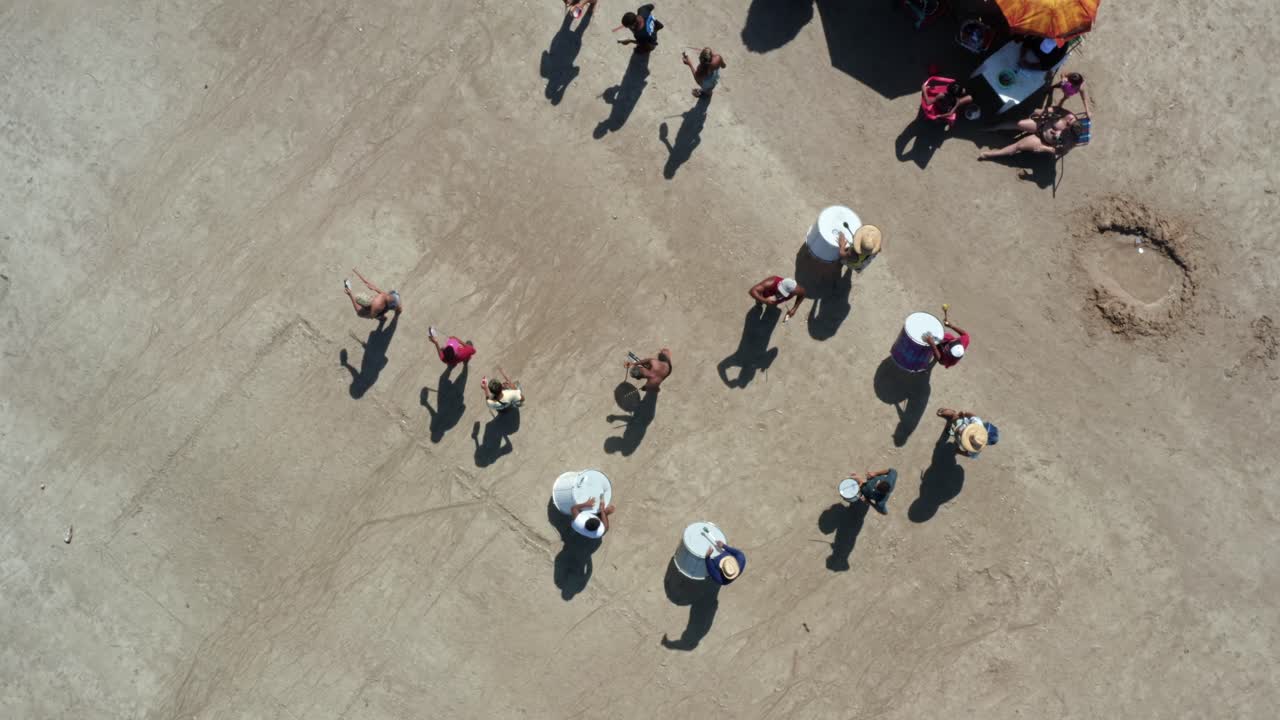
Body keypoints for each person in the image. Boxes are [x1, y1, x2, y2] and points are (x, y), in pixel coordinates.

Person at [978, 86, 1092, 161]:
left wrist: (1045, 149)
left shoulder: (1072, 140)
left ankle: (991, 154)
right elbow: (1056, 109)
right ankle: (993, 128)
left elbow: (1058, 152)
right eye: (1071, 122)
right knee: (1019, 123)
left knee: (1019, 146)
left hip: (1044, 141)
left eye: (1069, 126)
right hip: (1042, 125)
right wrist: (1048, 112)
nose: (1069, 122)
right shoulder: (1070, 116)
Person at [936, 408, 1000, 459]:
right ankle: (949, 421)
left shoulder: (978, 423)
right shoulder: (976, 449)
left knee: (953, 417)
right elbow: (968, 454)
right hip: (960, 437)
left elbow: (972, 415)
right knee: (953, 420)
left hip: (963, 424)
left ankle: (947, 417)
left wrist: (963, 414)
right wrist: (958, 451)